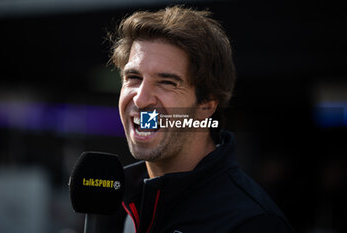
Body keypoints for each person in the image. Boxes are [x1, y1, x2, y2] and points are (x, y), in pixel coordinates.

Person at [103, 5, 293, 233]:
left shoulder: (252, 222)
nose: (141, 100)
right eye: (133, 77)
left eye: (167, 82)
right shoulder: (116, 204)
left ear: (206, 106)